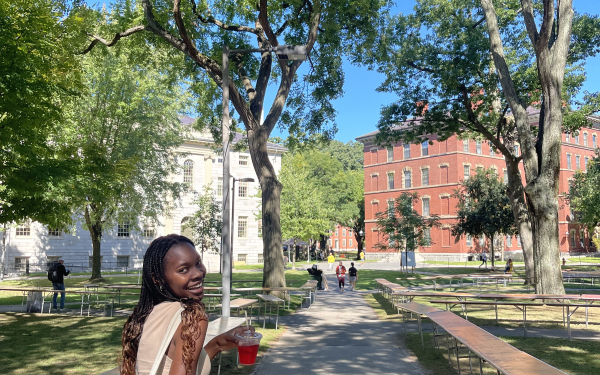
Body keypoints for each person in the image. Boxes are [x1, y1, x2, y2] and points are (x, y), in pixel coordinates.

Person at [120, 234, 254, 375]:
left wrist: (217, 344)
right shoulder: (191, 318)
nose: (198, 273)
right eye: (183, 270)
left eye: (198, 263)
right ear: (158, 279)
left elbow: (171, 361)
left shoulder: (146, 315)